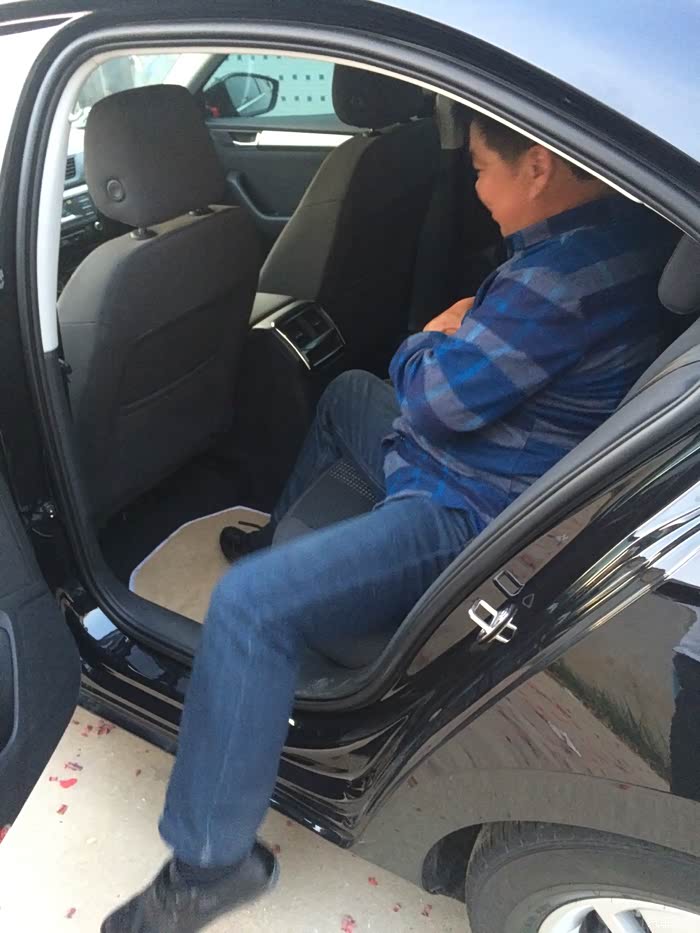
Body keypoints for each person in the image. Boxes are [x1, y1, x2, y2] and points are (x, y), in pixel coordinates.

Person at [102, 112, 676, 931]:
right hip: (496, 463)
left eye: (481, 170)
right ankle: (274, 545)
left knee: (248, 606)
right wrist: (461, 334)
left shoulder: (557, 283)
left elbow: (435, 402)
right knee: (346, 397)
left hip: (464, 514)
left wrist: (427, 337)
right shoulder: (626, 236)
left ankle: (208, 867)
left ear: (539, 166)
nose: (476, 189)